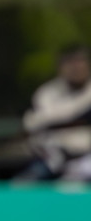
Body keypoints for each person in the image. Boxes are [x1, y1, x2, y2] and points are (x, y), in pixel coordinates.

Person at [19, 44, 91, 181]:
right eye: (70, 62)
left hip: (86, 158)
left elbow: (46, 119)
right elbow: (32, 124)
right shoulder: (47, 92)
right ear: (60, 67)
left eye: (80, 61)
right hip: (53, 158)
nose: (76, 67)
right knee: (21, 187)